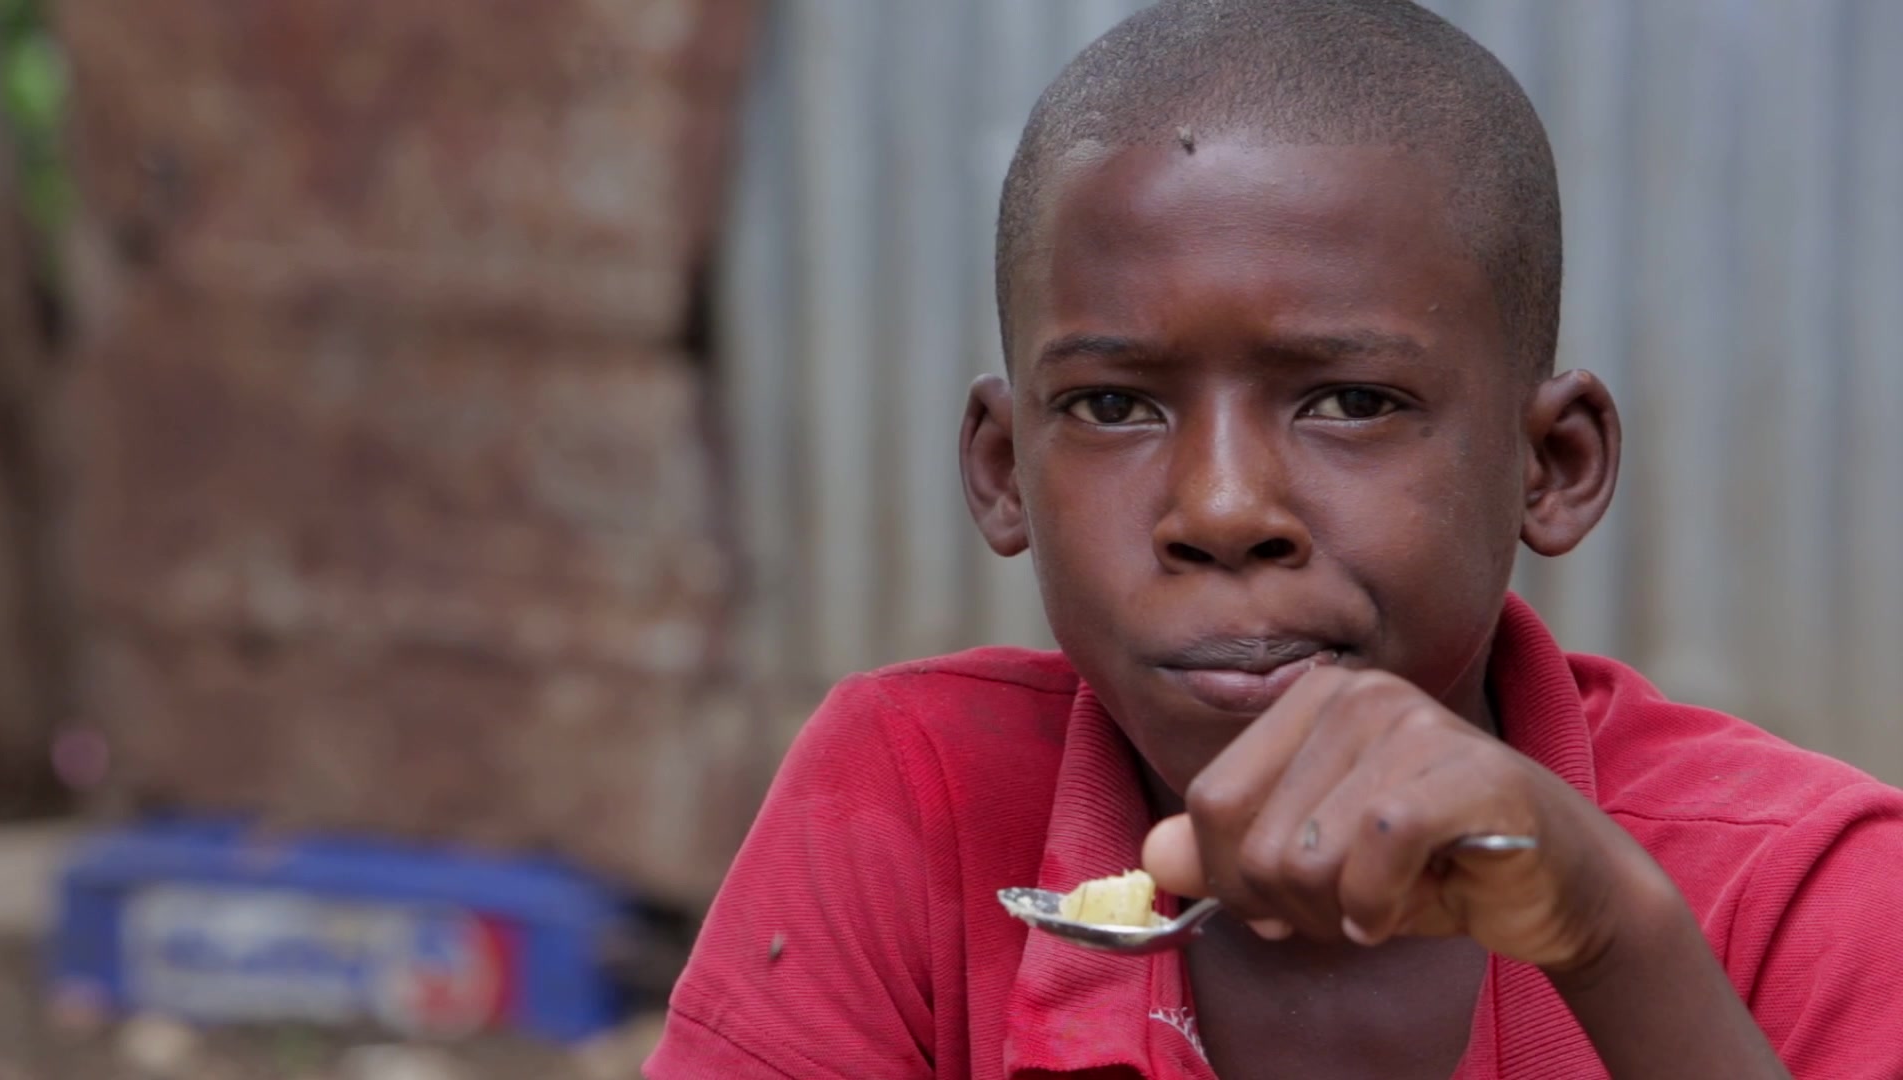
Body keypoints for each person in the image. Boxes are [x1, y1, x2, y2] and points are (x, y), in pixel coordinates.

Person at [646, 2, 1903, 1076]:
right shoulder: (917, 810)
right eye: (1114, 406)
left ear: (1553, 465)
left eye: (1352, 403)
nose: (1224, 510)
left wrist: (1615, 940)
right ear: (1001, 469)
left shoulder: (1807, 895)